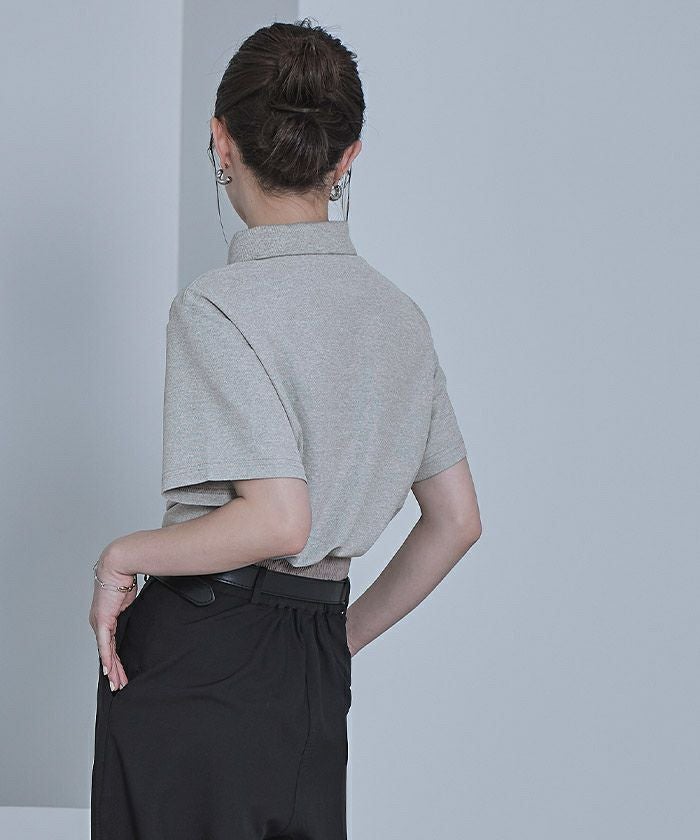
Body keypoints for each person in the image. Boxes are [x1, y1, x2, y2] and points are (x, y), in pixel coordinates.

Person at [88, 17, 481, 840]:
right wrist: (336, 638)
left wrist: (121, 556)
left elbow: (276, 520)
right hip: (309, 665)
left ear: (222, 140)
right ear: (347, 157)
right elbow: (456, 521)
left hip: (203, 655)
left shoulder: (217, 305)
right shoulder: (399, 319)